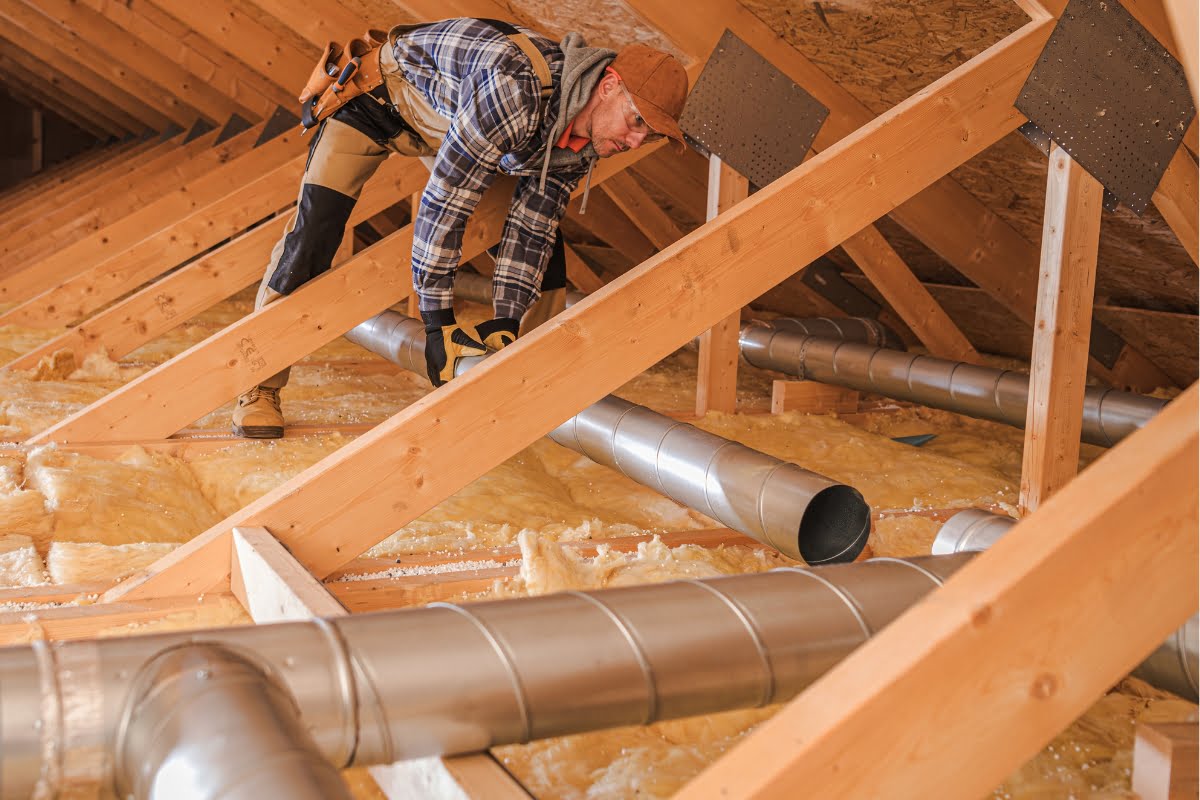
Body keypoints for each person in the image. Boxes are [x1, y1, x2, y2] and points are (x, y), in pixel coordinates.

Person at [231, 17, 688, 438]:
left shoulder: (584, 139)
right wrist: (437, 324)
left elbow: (532, 227)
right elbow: (446, 201)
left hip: (450, 123)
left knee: (547, 251)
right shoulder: (517, 88)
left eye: (647, 137)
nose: (634, 142)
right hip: (375, 103)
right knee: (313, 236)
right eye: (636, 123)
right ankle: (259, 385)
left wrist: (505, 321)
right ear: (608, 86)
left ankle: (524, 378)